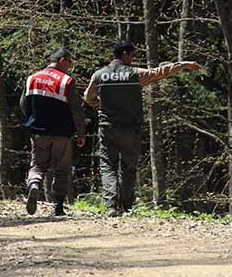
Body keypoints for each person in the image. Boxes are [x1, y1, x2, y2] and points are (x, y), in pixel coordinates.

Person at [83, 40, 200, 216]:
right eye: (132, 55)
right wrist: (182, 65)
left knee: (107, 166)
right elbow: (159, 72)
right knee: (129, 168)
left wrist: (100, 104)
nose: (133, 58)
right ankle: (126, 206)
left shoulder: (99, 75)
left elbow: (87, 97)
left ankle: (111, 206)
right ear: (125, 54)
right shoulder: (134, 74)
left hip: (108, 127)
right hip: (131, 128)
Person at [20, 47, 86, 216]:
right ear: (63, 60)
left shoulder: (32, 78)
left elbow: (23, 104)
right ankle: (58, 207)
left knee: (37, 165)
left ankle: (34, 184)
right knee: (62, 168)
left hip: (38, 131)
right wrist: (80, 133)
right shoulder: (66, 81)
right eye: (69, 63)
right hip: (62, 133)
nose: (69, 67)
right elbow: (76, 110)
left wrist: (31, 120)